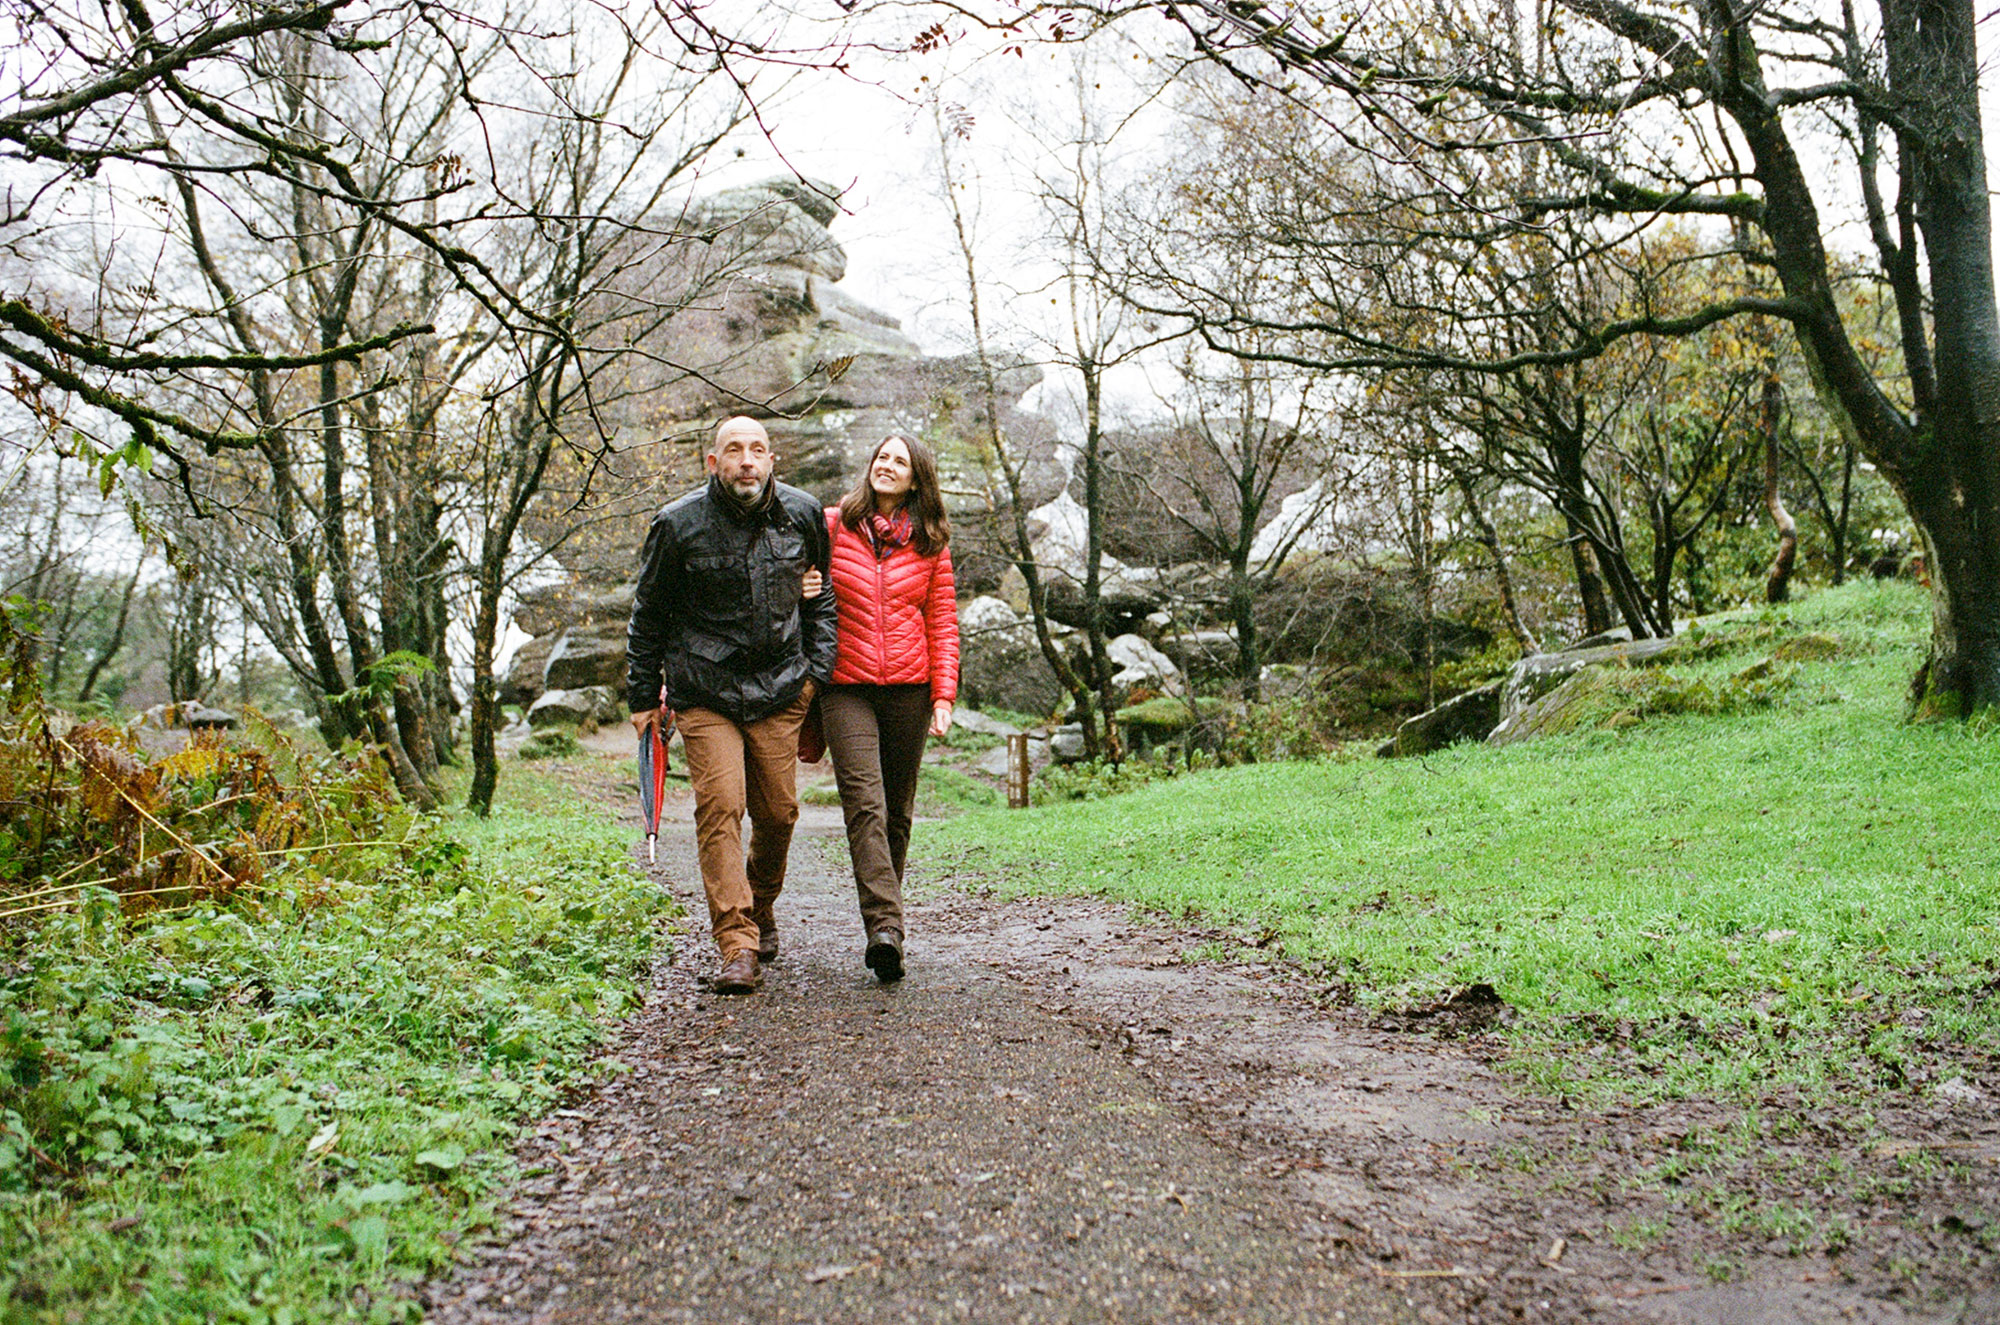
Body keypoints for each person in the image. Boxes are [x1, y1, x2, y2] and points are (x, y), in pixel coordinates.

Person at [626, 416, 835, 995]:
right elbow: (648, 615)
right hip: (706, 691)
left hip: (780, 688)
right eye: (735, 450)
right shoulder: (676, 524)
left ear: (772, 460)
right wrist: (643, 696)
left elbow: (824, 600)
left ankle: (759, 903)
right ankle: (736, 943)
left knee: (779, 815)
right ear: (712, 462)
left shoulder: (802, 513)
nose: (748, 460)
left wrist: (815, 676)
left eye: (758, 450)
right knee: (721, 809)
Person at [812, 433, 959, 983]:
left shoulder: (930, 542)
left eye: (900, 461)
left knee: (897, 811)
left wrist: (943, 694)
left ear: (916, 478)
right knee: (865, 804)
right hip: (844, 683)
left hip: (909, 690)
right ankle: (885, 927)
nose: (887, 466)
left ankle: (885, 925)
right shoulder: (832, 525)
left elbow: (942, 621)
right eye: (881, 457)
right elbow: (797, 580)